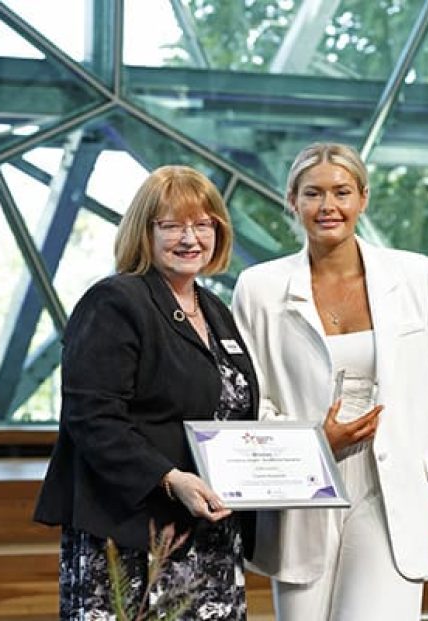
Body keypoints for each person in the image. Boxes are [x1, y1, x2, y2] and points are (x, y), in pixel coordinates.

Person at [231, 142, 428, 620]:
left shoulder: (414, 275)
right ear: (292, 200)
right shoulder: (258, 288)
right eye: (313, 194)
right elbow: (247, 398)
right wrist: (312, 444)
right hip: (305, 485)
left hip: (388, 488)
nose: (328, 207)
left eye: (341, 192)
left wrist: (405, 442)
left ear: (363, 198)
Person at [33, 165, 259, 620]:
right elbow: (92, 418)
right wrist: (170, 478)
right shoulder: (115, 301)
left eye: (203, 224)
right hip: (131, 536)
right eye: (173, 225)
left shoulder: (214, 308)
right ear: (144, 231)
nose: (190, 238)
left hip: (210, 537)